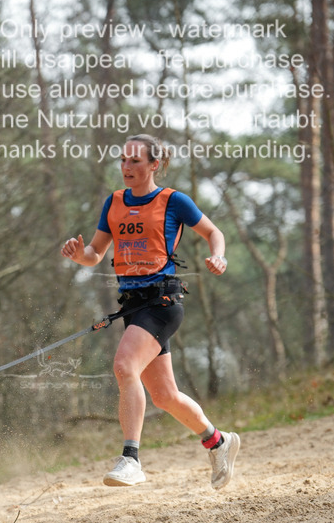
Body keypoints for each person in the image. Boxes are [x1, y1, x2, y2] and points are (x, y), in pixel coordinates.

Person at [60, 134, 240, 489]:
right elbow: (95, 254)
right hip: (132, 306)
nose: (126, 167)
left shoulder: (173, 201)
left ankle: (131, 459)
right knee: (165, 395)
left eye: (135, 161)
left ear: (154, 164)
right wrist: (78, 255)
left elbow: (212, 231)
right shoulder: (113, 203)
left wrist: (218, 256)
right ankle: (218, 441)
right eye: (123, 161)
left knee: (124, 365)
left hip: (163, 302)